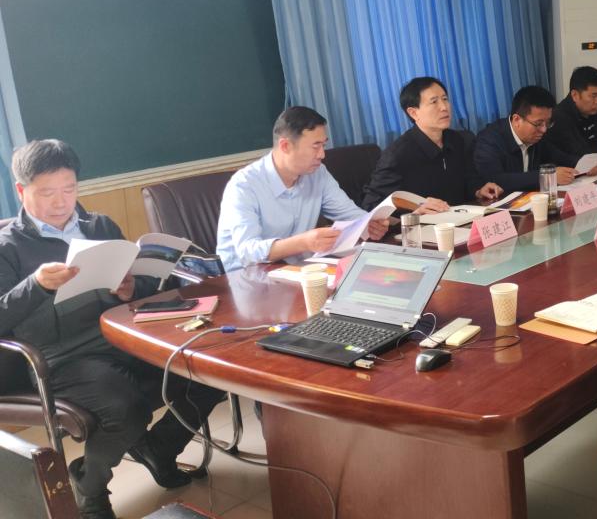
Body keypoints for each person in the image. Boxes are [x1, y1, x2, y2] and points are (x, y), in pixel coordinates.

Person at [0, 140, 225, 519]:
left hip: (124, 337)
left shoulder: (99, 226)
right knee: (125, 408)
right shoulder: (8, 247)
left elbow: (141, 286)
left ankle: (160, 448)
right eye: (47, 192)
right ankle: (90, 487)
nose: (61, 202)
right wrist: (36, 285)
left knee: (208, 371)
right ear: (22, 191)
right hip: (63, 357)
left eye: (69, 189)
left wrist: (131, 288)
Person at [216, 106, 387, 271]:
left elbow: (349, 213)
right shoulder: (244, 185)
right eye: (315, 146)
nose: (322, 154)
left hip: (297, 269)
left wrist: (369, 224)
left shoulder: (318, 173)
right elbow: (247, 252)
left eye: (324, 145)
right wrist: (303, 242)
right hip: (244, 277)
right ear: (285, 146)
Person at [361, 77, 503, 210]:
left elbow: (468, 180)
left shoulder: (458, 140)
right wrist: (415, 208)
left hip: (460, 219)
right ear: (413, 113)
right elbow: (372, 205)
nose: (444, 107)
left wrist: (478, 190)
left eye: (445, 99)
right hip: (421, 226)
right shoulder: (397, 155)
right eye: (434, 102)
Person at [474, 86, 578, 191]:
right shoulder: (489, 140)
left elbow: (560, 157)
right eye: (538, 123)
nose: (544, 129)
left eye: (548, 123)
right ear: (517, 120)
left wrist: (584, 164)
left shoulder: (537, 137)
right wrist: (547, 176)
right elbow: (495, 180)